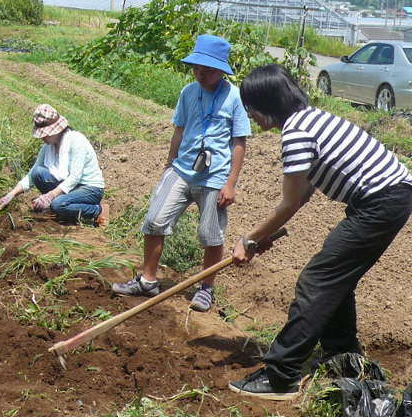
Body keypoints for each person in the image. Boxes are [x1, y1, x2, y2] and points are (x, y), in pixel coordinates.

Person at [228, 64, 412, 401]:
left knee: (317, 280)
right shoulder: (311, 119)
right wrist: (263, 237)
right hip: (388, 198)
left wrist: (250, 240)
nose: (250, 115)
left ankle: (280, 375)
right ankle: (344, 361)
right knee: (335, 280)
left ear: (266, 103)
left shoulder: (296, 132)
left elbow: (291, 203)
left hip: (381, 202)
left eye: (250, 107)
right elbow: (308, 188)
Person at [112, 34, 251, 312]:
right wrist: (168, 164)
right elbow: (179, 129)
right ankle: (147, 279)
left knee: (211, 235)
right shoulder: (188, 92)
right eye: (197, 68)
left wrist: (231, 183)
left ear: (221, 70)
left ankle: (206, 288)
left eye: (208, 70)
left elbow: (239, 141)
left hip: (215, 176)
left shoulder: (234, 97)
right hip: (182, 170)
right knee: (154, 220)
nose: (201, 74)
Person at [0, 104, 108, 225]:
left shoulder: (76, 141)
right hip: (70, 186)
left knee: (57, 204)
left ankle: (97, 210)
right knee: (38, 173)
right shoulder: (47, 147)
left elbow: (75, 177)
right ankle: (64, 210)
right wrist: (11, 194)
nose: (43, 137)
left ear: (57, 129)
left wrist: (50, 196)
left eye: (45, 133)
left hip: (89, 189)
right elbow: (32, 175)